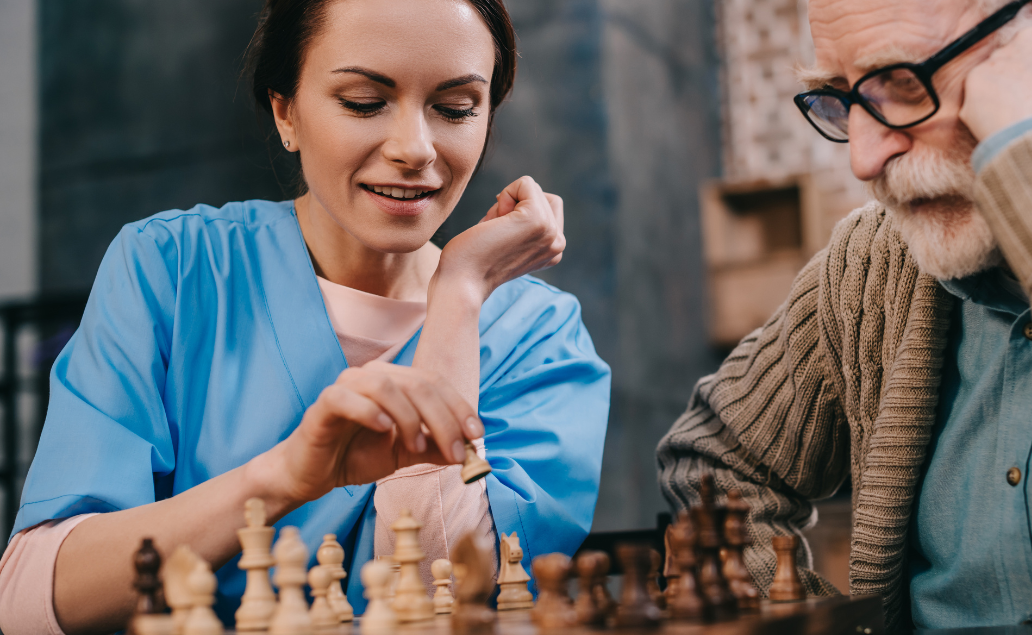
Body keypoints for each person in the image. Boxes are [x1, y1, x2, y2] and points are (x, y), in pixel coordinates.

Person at [0, 0, 611, 633]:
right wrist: (282, 476)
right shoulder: (173, 269)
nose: (415, 148)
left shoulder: (541, 338)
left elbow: (447, 602)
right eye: (363, 102)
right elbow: (27, 603)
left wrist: (459, 292)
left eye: (455, 108)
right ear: (285, 110)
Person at [659, 0, 1032, 630]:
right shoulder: (873, 260)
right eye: (839, 97)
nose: (863, 159)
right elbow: (714, 460)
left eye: (902, 83)